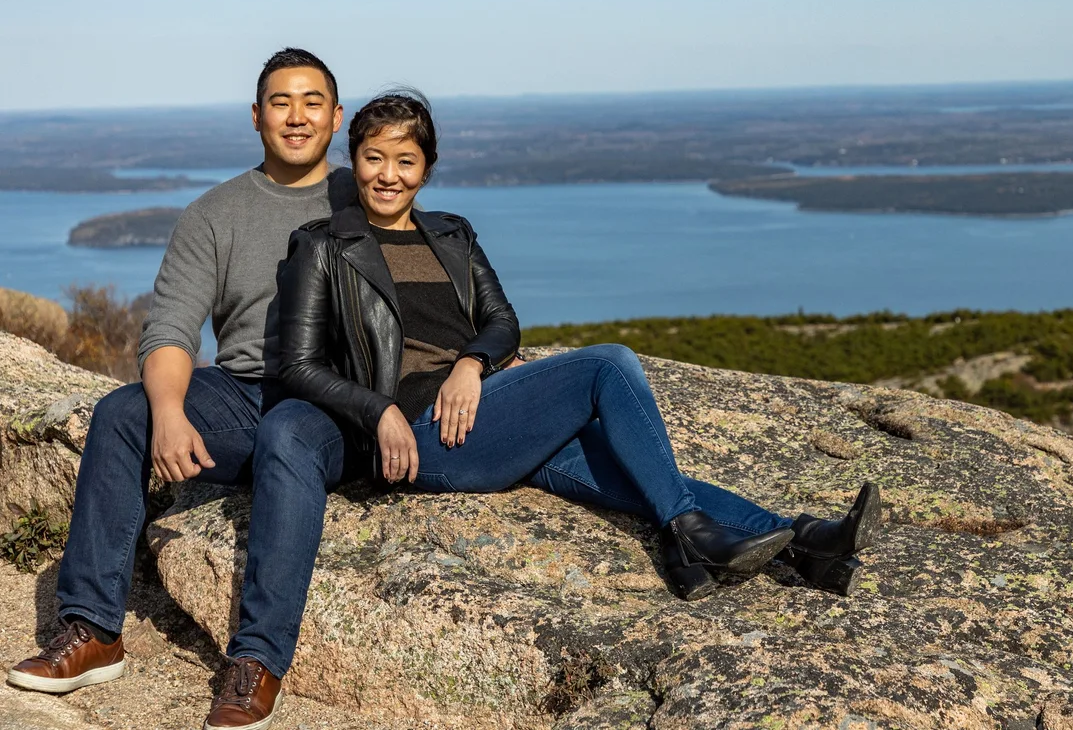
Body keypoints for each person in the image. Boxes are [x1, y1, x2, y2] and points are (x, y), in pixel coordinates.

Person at [268, 88, 883, 630]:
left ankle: (807, 546)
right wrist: (378, 412)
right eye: (374, 158)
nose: (388, 175)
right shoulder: (324, 246)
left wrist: (470, 364)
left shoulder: (451, 234)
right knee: (607, 364)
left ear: (426, 169)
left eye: (406, 161)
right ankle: (691, 538)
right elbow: (294, 365)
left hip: (488, 417)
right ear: (355, 159)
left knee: (630, 465)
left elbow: (502, 322)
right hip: (422, 434)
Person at [6, 48, 356, 730]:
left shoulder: (363, 198)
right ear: (257, 116)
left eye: (312, 101)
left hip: (340, 405)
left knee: (290, 435)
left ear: (336, 116)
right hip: (243, 392)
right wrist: (168, 409)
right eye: (281, 102)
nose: (297, 115)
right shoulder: (214, 213)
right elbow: (169, 328)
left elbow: (431, 294)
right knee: (123, 411)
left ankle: (255, 662)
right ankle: (94, 631)